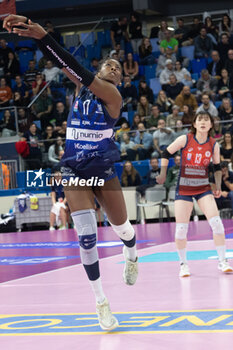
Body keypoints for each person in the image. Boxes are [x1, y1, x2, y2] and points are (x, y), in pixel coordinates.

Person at [5, 14, 138, 331]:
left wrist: (43, 36)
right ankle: (101, 302)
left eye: (118, 68)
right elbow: (65, 63)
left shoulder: (113, 97)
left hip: (103, 170)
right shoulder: (83, 86)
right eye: (109, 65)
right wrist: (38, 38)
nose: (113, 68)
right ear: (100, 68)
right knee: (87, 237)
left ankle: (132, 254)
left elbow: (76, 68)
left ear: (119, 81)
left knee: (123, 230)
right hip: (74, 170)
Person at [156, 111, 233, 277]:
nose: (203, 122)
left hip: (203, 188)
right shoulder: (185, 139)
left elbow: (217, 167)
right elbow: (165, 153)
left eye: (207, 120)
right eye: (200, 119)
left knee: (217, 223)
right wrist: (162, 173)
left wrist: (218, 185)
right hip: (184, 188)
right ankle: (183, 264)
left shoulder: (214, 144)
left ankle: (223, 261)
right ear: (195, 124)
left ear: (211, 125)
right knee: (181, 229)